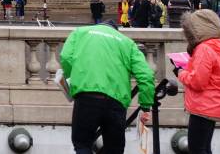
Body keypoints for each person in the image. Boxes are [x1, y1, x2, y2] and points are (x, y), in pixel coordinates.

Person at [60, 20, 155, 153]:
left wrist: (74, 82)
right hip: (116, 101)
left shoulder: (80, 33)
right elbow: (146, 76)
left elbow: (65, 58)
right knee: (114, 148)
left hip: (87, 96)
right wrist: (145, 105)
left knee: (82, 144)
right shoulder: (127, 43)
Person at [176, 9, 220, 154]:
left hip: (203, 107)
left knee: (197, 149)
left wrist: (181, 73)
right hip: (214, 104)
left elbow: (198, 82)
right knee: (204, 148)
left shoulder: (204, 48)